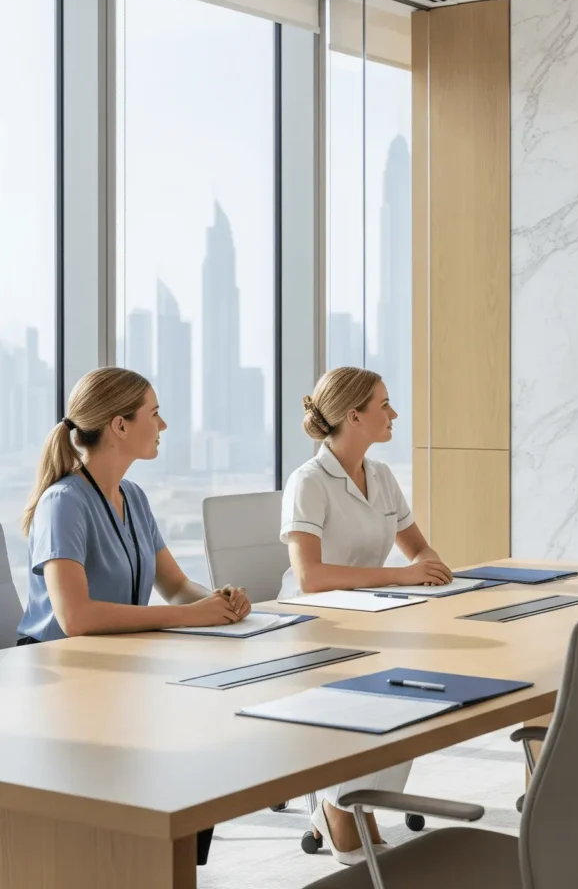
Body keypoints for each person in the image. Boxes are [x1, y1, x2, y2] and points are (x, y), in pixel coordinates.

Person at [280, 366, 453, 866]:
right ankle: (342, 805)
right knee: (391, 693)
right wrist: (403, 577)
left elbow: (417, 547)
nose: (394, 413)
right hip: (312, 627)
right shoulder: (309, 482)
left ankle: (349, 801)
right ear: (354, 416)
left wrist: (429, 569)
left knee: (425, 694)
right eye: (384, 404)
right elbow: (309, 577)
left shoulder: (379, 475)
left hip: (372, 617)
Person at [17, 367, 252, 645]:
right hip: (63, 662)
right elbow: (74, 617)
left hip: (119, 655)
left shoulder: (133, 496)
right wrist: (187, 615)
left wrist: (219, 602)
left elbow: (176, 587)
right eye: (154, 414)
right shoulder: (63, 503)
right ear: (120, 426)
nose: (163, 425)